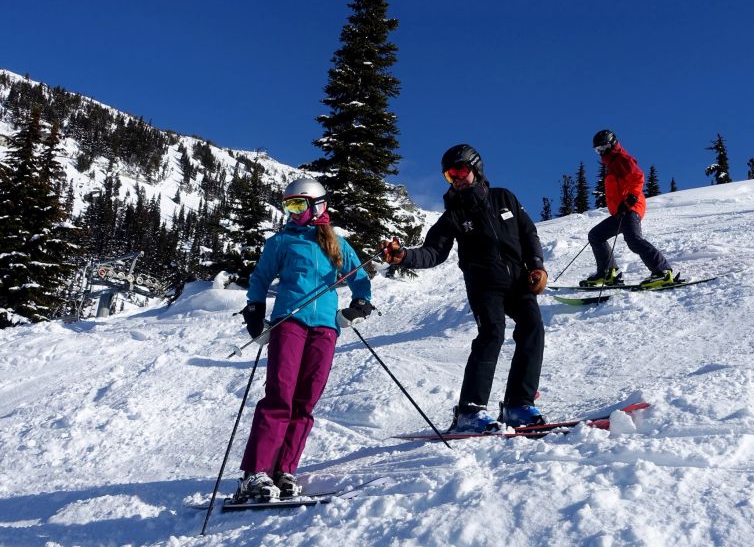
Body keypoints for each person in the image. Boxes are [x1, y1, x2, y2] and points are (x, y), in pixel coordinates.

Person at [380, 144, 548, 433]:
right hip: (484, 286)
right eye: (450, 175)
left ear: (476, 169)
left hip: (518, 281)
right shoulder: (453, 216)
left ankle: (517, 405)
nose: (456, 178)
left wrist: (536, 265)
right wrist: (403, 256)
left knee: (533, 328)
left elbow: (528, 232)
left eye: (461, 171)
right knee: (492, 334)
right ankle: (469, 411)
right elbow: (433, 252)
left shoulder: (504, 198)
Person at [236, 178, 374, 501]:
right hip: (290, 323)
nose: (293, 213)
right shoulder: (282, 242)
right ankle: (255, 473)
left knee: (306, 399)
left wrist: (360, 303)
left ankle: (284, 469)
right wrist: (255, 309)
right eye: (289, 207)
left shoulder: (337, 244)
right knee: (280, 394)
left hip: (326, 329)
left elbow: (361, 276)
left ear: (317, 207)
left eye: (299, 206)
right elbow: (260, 278)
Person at [582, 130, 675, 288]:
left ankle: (662, 272)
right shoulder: (612, 163)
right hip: (622, 211)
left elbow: (638, 176)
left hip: (631, 207)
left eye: (603, 147)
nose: (601, 152)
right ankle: (607, 273)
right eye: (598, 150)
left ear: (611, 144)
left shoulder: (621, 159)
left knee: (633, 240)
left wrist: (630, 198)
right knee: (596, 235)